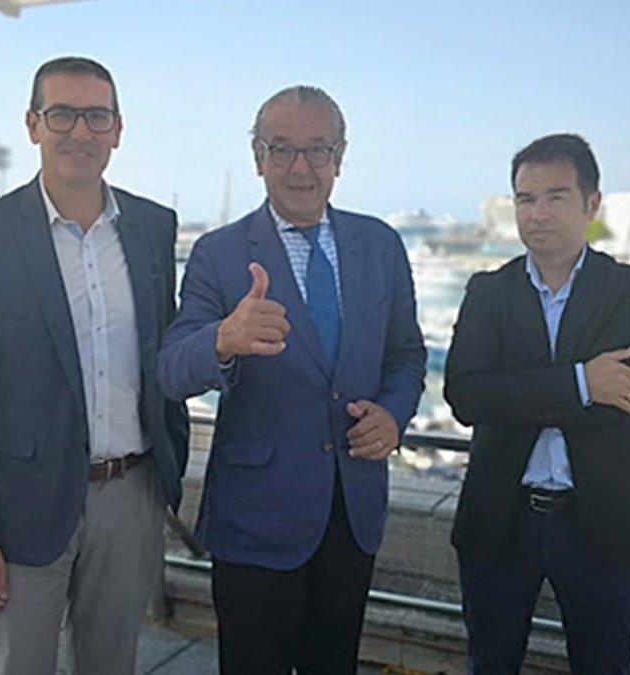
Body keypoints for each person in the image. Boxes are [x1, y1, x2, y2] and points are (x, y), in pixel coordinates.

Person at [0, 56, 188, 675]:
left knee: (112, 665)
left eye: (96, 116)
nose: (80, 131)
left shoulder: (153, 228)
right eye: (62, 114)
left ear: (118, 129)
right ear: (32, 124)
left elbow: (167, 355)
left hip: (131, 497)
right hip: (16, 510)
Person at [156, 85, 426, 674]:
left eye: (317, 150)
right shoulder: (218, 253)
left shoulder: (380, 244)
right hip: (254, 517)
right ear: (258, 157)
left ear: (340, 156)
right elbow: (171, 370)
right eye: (282, 150)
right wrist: (223, 338)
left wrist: (394, 415)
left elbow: (406, 354)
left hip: (351, 511)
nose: (300, 167)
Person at [444, 133, 630, 673]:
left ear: (591, 204)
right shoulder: (488, 292)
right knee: (490, 662)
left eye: (555, 196)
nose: (537, 212)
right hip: (502, 518)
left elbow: (619, 392)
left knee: (602, 664)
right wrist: (580, 382)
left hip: (600, 522)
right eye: (525, 198)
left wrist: (520, 392)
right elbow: (467, 396)